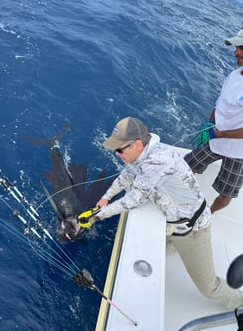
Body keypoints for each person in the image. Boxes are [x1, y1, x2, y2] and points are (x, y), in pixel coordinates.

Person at [92, 116, 243, 310]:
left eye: (119, 150)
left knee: (208, 288)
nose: (117, 154)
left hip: (192, 231)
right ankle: (173, 245)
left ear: (137, 144)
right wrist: (106, 198)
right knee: (152, 247)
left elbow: (133, 199)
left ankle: (240, 302)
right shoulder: (141, 154)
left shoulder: (157, 161)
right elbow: (128, 175)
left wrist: (96, 217)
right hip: (174, 222)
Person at [184, 28, 243, 214]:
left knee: (226, 195)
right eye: (237, 47)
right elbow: (220, 104)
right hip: (216, 136)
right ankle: (179, 200)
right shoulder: (234, 75)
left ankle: (207, 216)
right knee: (186, 166)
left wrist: (219, 133)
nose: (236, 51)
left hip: (238, 153)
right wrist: (210, 124)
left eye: (241, 48)